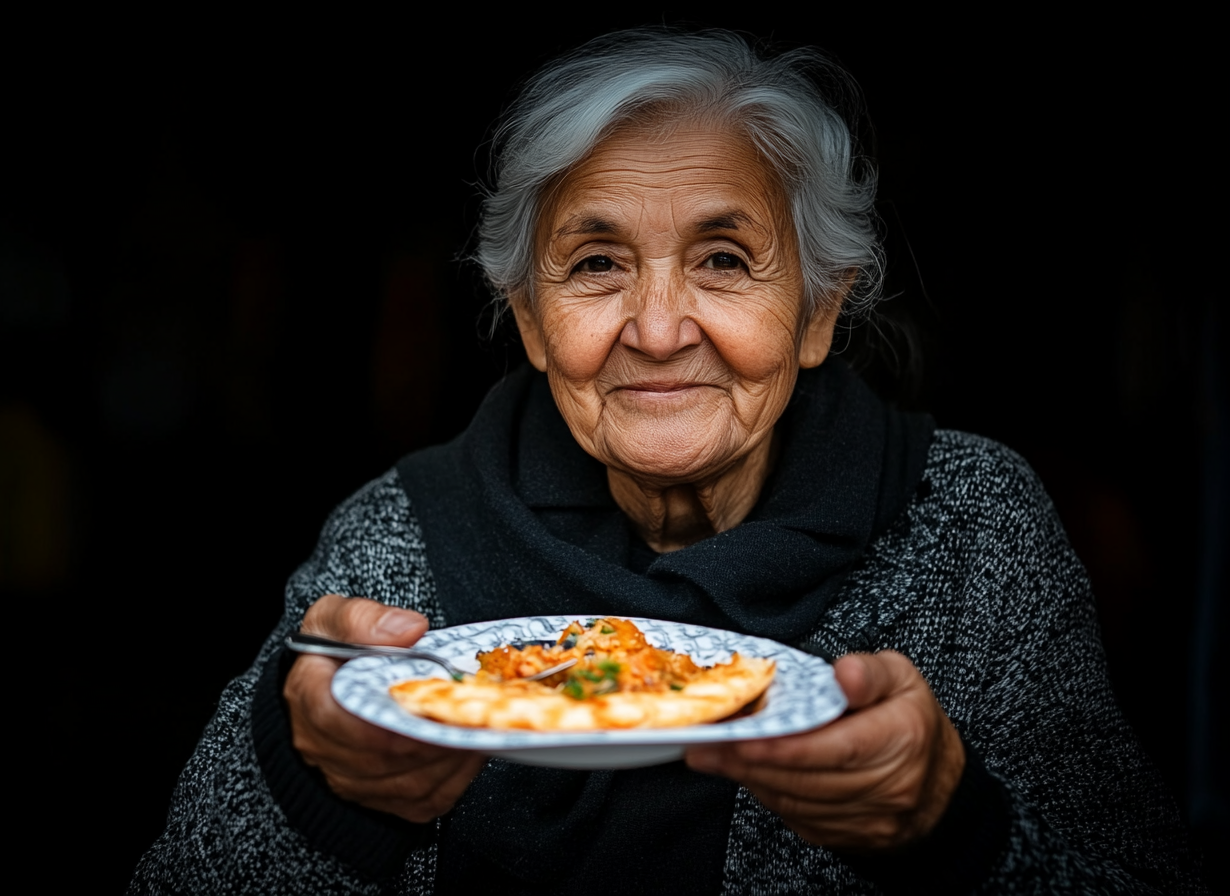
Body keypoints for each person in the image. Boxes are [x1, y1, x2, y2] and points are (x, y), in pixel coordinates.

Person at [130, 29, 1205, 894]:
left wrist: (950, 828)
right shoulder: (394, 534)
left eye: (725, 260)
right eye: (596, 264)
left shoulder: (974, 529)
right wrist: (314, 773)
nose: (656, 328)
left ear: (821, 309)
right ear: (534, 320)